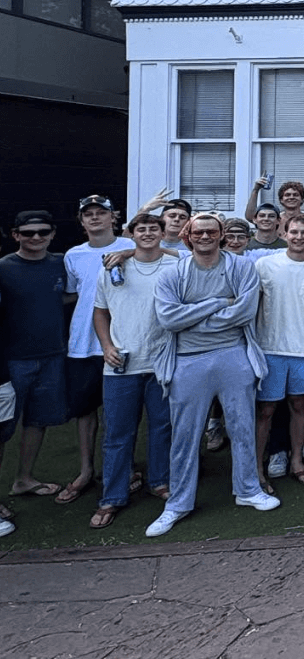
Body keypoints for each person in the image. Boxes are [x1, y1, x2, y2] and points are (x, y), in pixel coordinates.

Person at [148, 212, 275, 537]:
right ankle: (178, 503)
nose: (205, 237)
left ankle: (248, 490)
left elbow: (244, 311)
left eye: (211, 232)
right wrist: (217, 302)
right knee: (185, 434)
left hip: (234, 355)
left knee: (242, 426)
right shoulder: (172, 274)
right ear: (188, 236)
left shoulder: (242, 268)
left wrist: (193, 318)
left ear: (221, 236)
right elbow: (169, 319)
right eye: (198, 232)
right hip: (187, 361)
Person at [88, 211, 176, 529]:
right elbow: (100, 312)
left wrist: (127, 251)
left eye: (154, 229)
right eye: (142, 229)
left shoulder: (175, 265)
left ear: (163, 233)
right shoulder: (112, 269)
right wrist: (106, 346)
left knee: (162, 427)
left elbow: (194, 256)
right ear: (131, 233)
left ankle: (160, 481)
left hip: (162, 362)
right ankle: (112, 496)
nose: (148, 233)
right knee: (117, 434)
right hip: (121, 364)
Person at [61, 195, 136, 505]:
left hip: (121, 340)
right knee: (85, 411)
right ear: (81, 221)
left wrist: (130, 252)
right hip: (83, 344)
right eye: (88, 214)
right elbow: (72, 293)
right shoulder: (73, 255)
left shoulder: (131, 246)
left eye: (101, 213)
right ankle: (86, 469)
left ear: (113, 217)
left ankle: (123, 469)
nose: (94, 218)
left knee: (120, 412)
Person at [252, 214, 304, 491]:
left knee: (299, 405)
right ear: (284, 233)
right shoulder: (265, 265)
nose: (299, 237)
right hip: (269, 350)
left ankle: (297, 461)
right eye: (294, 232)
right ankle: (257, 469)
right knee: (266, 410)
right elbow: (252, 307)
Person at [1, 210, 71, 501]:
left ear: (52, 234)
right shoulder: (4, 267)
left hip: (53, 356)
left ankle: (24, 479)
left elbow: (69, 294)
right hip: (12, 361)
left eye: (43, 232)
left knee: (38, 421)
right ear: (16, 235)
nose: (36, 237)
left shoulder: (61, 263)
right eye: (28, 233)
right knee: (2, 427)